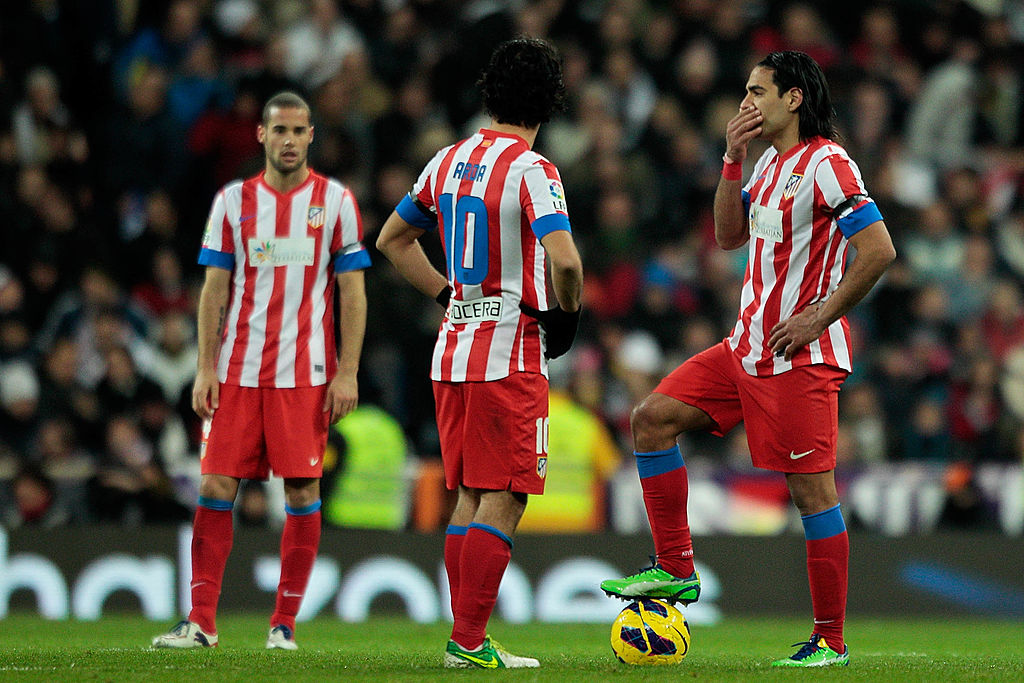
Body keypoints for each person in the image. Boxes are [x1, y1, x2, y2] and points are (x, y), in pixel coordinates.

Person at [600, 51, 896, 668]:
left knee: (812, 493)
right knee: (650, 419)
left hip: (801, 355)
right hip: (744, 347)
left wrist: (820, 314)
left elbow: (878, 250)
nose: (746, 102)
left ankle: (830, 642)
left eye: (757, 91)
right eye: (744, 91)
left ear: (793, 98)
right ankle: (676, 569)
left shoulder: (828, 163)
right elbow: (729, 235)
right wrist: (731, 160)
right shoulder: (763, 162)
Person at [376, 37, 583, 669]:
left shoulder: (448, 161)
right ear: (547, 102)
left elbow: (392, 239)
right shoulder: (533, 170)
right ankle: (467, 642)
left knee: (469, 491)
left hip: (455, 348)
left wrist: (448, 294)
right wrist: (566, 316)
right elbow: (567, 260)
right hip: (509, 351)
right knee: (507, 494)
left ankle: (466, 638)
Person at [152, 91, 369, 650]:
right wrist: (205, 366)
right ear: (262, 136)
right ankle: (201, 621)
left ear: (312, 136)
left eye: (299, 131)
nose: (290, 141)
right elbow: (213, 290)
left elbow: (352, 292)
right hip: (238, 370)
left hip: (306, 374)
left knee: (301, 492)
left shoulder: (338, 202)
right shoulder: (233, 202)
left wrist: (347, 372)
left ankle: (284, 626)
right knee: (215, 483)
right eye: (280, 131)